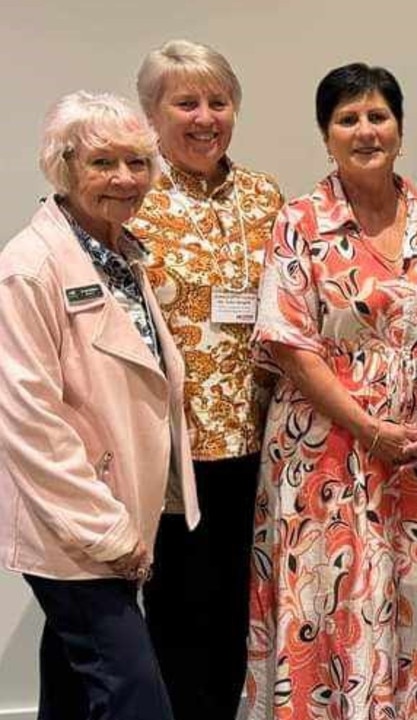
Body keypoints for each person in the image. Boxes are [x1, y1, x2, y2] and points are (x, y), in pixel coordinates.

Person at [244, 63, 417, 720]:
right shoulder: (299, 223)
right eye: (348, 119)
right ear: (326, 135)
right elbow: (290, 346)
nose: (366, 131)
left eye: (377, 116)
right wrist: (369, 428)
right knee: (325, 609)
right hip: (325, 456)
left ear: (399, 126)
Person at [0, 91, 198, 720]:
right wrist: (106, 531)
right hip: (78, 527)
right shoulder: (29, 269)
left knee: (74, 687)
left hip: (113, 511)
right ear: (64, 167)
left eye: (137, 163)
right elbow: (28, 421)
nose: (124, 179)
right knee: (134, 696)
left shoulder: (120, 256)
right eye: (102, 163)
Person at [126, 39, 284, 720]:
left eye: (217, 102)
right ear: (150, 113)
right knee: (175, 616)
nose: (203, 117)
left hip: (257, 443)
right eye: (184, 102)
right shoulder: (130, 198)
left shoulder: (264, 196)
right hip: (168, 456)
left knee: (238, 610)